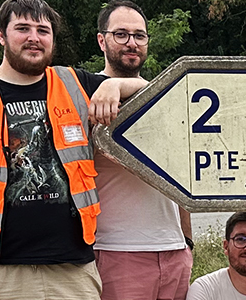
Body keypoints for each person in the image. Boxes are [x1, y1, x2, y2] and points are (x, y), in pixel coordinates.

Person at [0, 0, 148, 299]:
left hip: (73, 270)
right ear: (1, 35)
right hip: (0, 271)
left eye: (43, 30)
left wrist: (115, 86)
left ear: (52, 39)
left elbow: (154, 91)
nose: (34, 37)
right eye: (22, 28)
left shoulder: (75, 83)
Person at [88, 2, 197, 300]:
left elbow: (181, 171)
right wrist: (108, 86)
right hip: (117, 251)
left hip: (174, 252)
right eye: (120, 34)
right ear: (102, 40)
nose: (132, 43)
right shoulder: (90, 95)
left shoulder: (165, 96)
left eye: (139, 35)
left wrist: (186, 241)